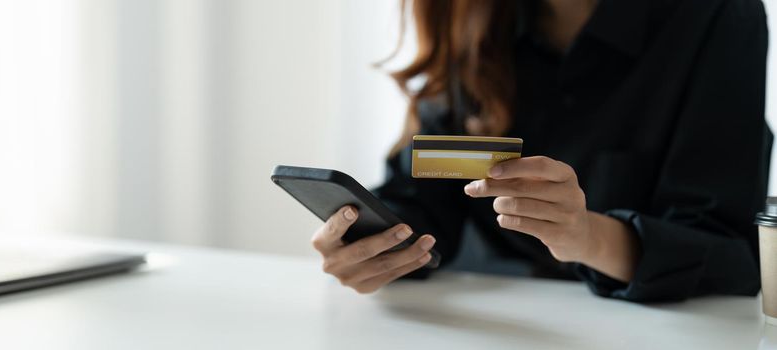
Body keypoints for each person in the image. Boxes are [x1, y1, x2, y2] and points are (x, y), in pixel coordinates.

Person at [310, 0, 771, 302]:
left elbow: (732, 258)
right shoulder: (469, 15)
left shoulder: (716, 16)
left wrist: (588, 237)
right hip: (486, 320)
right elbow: (426, 198)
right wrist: (372, 242)